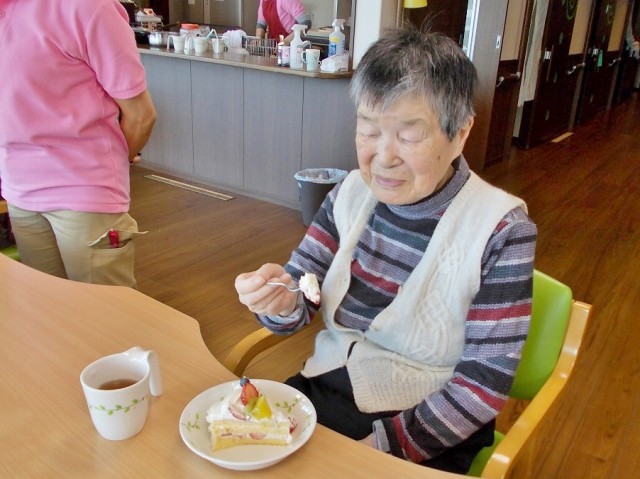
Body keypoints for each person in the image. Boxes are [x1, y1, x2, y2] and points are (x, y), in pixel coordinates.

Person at [235, 27, 537, 474]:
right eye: (368, 130)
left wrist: (378, 450)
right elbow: (300, 293)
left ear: (460, 133)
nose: (383, 157)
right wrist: (278, 302)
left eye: (409, 136)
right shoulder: (348, 193)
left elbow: (481, 386)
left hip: (430, 423)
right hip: (324, 387)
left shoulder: (501, 231)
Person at [0, 0, 157, 287]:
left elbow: (141, 116)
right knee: (46, 305)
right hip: (19, 190)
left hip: (85, 191)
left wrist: (113, 163)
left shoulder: (86, 7)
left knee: (104, 310)